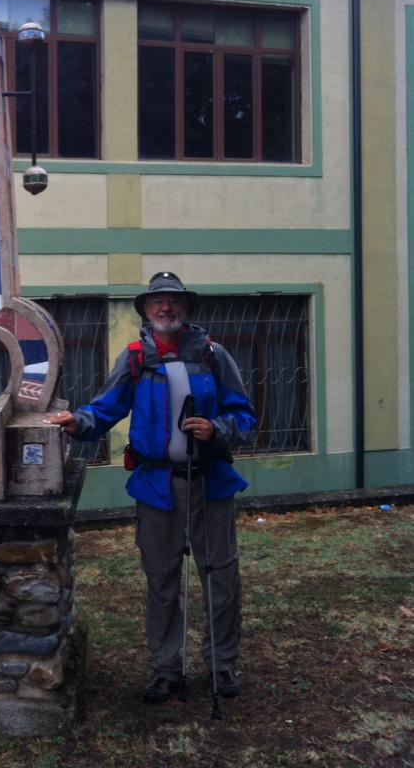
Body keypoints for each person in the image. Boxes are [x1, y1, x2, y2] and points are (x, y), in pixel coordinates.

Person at [48, 271, 257, 704]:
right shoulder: (136, 358)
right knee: (162, 581)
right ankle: (167, 669)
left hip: (211, 484)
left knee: (220, 578)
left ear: (186, 309)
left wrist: (216, 428)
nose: (166, 308)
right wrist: (77, 423)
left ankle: (222, 665)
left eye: (174, 302)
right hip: (156, 486)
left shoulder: (215, 356)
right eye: (157, 302)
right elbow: (105, 408)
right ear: (146, 309)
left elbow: (245, 418)